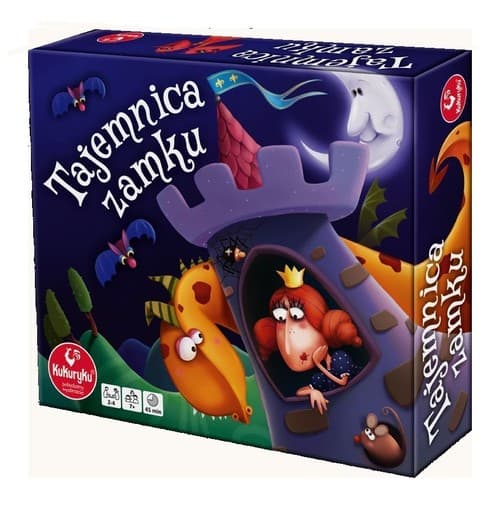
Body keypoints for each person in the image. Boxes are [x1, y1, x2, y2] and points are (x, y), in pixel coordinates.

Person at [253, 264, 364, 414]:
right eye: (280, 317)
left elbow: (342, 382)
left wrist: (318, 363)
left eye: (296, 315)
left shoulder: (340, 357)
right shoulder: (318, 377)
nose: (289, 331)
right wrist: (313, 392)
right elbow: (301, 391)